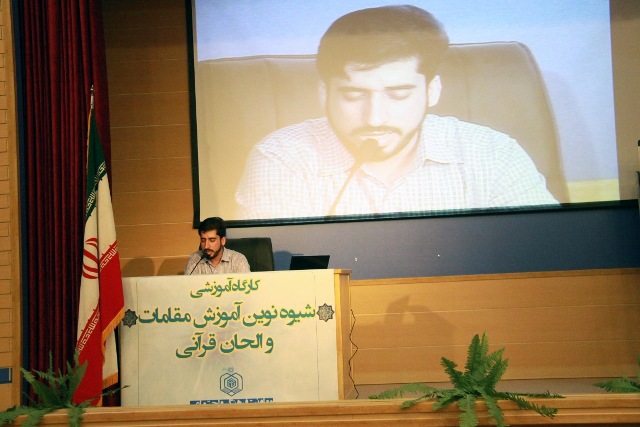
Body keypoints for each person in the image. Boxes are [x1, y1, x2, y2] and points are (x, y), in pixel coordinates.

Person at [235, 5, 558, 220]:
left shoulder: (493, 155)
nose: (375, 118)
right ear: (324, 94)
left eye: (399, 94)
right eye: (354, 95)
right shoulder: (282, 159)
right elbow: (276, 281)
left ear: (432, 91)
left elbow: (550, 259)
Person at [183, 216, 250, 275]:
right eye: (203, 240)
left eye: (212, 240)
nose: (206, 246)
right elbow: (188, 285)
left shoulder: (238, 260)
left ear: (222, 241)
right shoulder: (195, 260)